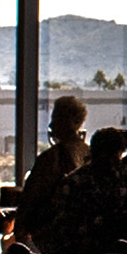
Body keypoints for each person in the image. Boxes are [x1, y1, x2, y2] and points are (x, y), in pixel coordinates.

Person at [47, 126, 127, 254]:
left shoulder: (74, 181)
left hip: (86, 248)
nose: (112, 162)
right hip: (89, 248)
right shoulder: (122, 173)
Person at [13, 94, 89, 243]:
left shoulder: (50, 158)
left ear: (70, 122)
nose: (51, 125)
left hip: (56, 232)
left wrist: (21, 226)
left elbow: (32, 195)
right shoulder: (89, 154)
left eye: (56, 119)